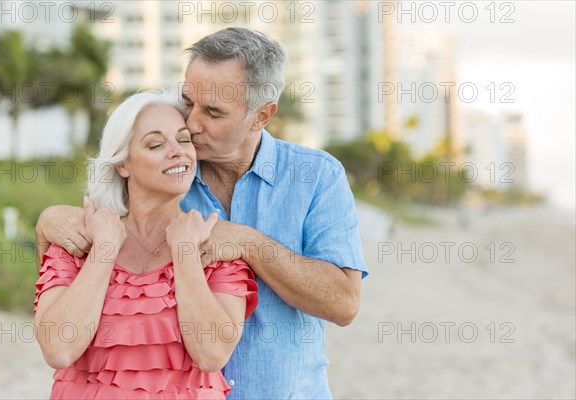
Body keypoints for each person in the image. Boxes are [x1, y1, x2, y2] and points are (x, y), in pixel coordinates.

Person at [36, 28, 368, 399]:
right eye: (188, 102)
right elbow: (80, 275)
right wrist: (46, 222)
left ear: (261, 116)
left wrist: (249, 243)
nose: (192, 124)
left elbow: (343, 303)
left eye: (212, 112)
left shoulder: (317, 176)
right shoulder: (166, 178)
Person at [34, 91, 258, 399]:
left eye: (184, 140)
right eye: (156, 144)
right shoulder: (77, 239)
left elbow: (212, 354)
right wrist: (104, 251)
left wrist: (185, 254)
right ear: (122, 164)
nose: (177, 152)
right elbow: (58, 348)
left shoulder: (214, 244)